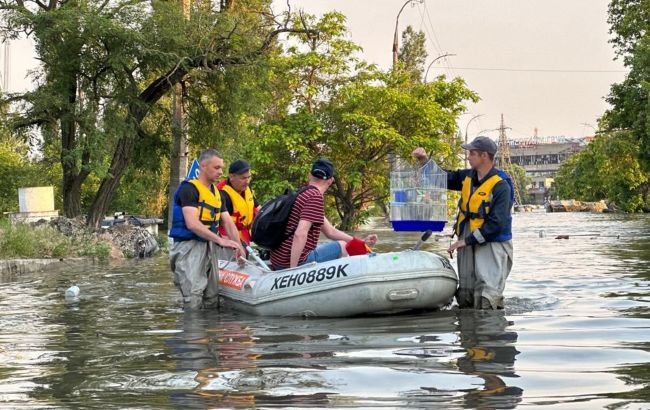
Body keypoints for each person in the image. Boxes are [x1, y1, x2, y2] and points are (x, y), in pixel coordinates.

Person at [169, 149, 246, 310]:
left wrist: (238, 247)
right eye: (216, 168)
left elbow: (228, 222)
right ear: (203, 166)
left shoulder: (217, 194)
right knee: (193, 296)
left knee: (212, 296)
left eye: (221, 168)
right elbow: (192, 223)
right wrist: (220, 240)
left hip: (208, 246)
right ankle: (192, 332)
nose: (220, 172)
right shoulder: (189, 189)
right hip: (188, 247)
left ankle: (209, 332)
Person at [445, 136, 514, 310]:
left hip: (493, 243)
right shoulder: (467, 177)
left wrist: (466, 241)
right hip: (469, 239)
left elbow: (497, 223)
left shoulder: (501, 185)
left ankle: (489, 332)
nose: (468, 157)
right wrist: (424, 161)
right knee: (466, 296)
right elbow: (442, 177)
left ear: (484, 156)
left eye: (472, 153)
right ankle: (468, 335)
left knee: (487, 298)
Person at [270, 158, 378, 270]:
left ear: (309, 175)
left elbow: (331, 232)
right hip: (291, 262)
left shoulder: (302, 193)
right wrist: (292, 271)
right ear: (330, 181)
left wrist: (361, 242)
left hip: (278, 259)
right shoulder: (314, 197)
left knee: (339, 243)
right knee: (342, 246)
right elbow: (300, 234)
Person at [217, 159, 260, 245]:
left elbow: (258, 209)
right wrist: (236, 245)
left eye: (249, 177)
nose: (247, 181)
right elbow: (224, 223)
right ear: (232, 177)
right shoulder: (223, 194)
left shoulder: (247, 189)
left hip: (246, 236)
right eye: (243, 178)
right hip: (229, 239)